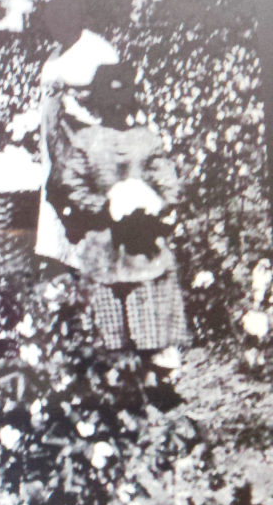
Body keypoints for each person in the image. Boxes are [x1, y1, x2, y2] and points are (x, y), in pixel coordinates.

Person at [56, 62, 190, 355]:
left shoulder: (86, 141)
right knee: (148, 323)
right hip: (139, 244)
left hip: (104, 246)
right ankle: (147, 379)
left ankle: (124, 382)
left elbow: (70, 187)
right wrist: (150, 206)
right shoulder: (144, 138)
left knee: (110, 332)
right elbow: (171, 187)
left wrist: (103, 207)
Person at [35, 0, 120, 271]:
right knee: (60, 220)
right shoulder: (54, 56)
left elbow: (115, 104)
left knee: (90, 224)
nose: (53, 29)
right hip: (56, 151)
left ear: (74, 18)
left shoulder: (99, 51)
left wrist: (72, 99)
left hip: (88, 150)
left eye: (57, 21)